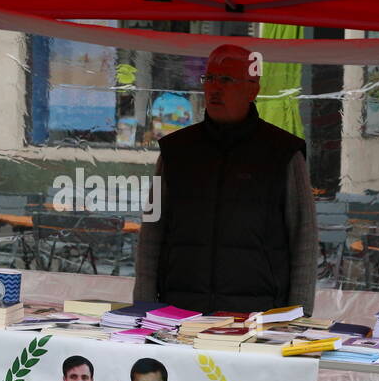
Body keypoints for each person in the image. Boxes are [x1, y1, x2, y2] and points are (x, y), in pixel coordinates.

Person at [133, 44, 317, 315]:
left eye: (226, 79)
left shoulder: (283, 153)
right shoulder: (176, 151)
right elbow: (151, 233)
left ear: (252, 89)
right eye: (209, 78)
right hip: (178, 315)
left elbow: (305, 240)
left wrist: (298, 317)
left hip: (256, 319)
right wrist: (144, 307)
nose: (214, 88)